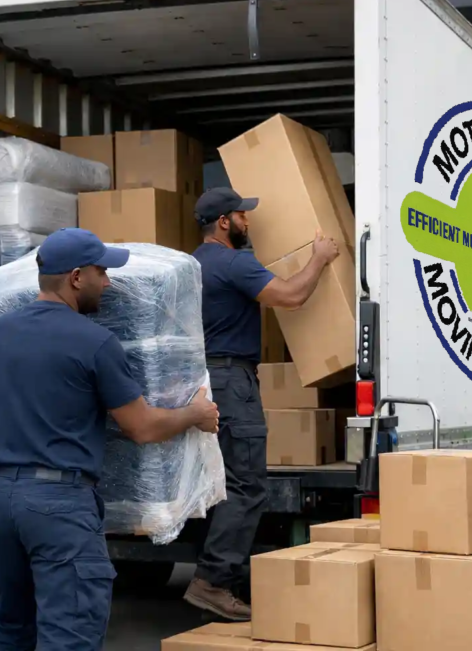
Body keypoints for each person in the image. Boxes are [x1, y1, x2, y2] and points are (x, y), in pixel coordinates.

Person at [0, 228, 220, 651]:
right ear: (76, 277)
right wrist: (196, 414)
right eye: (102, 271)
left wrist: (15, 379)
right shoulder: (95, 342)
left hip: (1, 500)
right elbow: (142, 427)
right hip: (58, 506)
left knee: (11, 628)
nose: (109, 281)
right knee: (70, 637)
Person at [183, 187, 340, 621]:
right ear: (223, 223)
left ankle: (215, 575)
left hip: (199, 382)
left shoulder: (190, 265)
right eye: (241, 215)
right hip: (232, 382)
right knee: (247, 484)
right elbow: (290, 296)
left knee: (216, 484)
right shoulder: (234, 263)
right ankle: (213, 581)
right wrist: (320, 258)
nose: (248, 222)